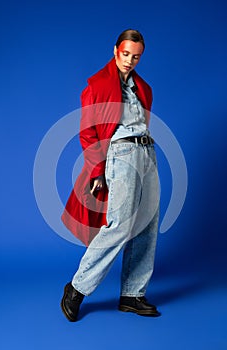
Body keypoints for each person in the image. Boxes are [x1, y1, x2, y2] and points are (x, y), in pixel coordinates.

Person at [61, 29, 160, 322]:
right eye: (126, 53)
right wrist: (97, 170)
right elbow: (88, 132)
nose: (130, 60)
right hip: (121, 155)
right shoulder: (97, 86)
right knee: (119, 225)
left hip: (147, 152)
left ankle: (133, 294)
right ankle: (77, 288)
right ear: (115, 49)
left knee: (148, 225)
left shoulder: (143, 87)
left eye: (137, 56)